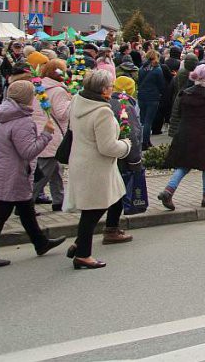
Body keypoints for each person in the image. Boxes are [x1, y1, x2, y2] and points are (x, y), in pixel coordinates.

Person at [0, 80, 66, 268]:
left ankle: (40, 242)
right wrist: (46, 134)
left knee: (25, 208)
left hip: (2, 168)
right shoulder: (21, 120)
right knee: (0, 213)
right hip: (12, 173)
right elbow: (28, 151)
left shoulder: (1, 113)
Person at [64, 70, 133, 269]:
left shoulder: (78, 100)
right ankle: (83, 254)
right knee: (93, 211)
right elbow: (108, 147)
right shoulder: (102, 111)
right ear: (103, 90)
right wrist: (126, 145)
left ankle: (80, 245)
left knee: (99, 205)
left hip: (81, 160)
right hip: (96, 166)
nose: (112, 89)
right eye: (110, 86)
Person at [157, 64, 205, 211]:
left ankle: (168, 191)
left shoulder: (186, 93)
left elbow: (179, 113)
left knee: (184, 165)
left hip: (185, 133)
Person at [30, 59, 72, 211]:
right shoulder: (59, 91)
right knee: (43, 174)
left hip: (40, 131)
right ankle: (26, 202)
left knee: (56, 170)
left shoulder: (38, 87)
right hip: (52, 134)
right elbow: (62, 114)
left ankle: (58, 201)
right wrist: (71, 103)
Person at [109, 76, 143, 225]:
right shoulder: (126, 106)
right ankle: (112, 228)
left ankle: (111, 226)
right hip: (122, 153)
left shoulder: (108, 102)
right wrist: (136, 160)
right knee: (119, 193)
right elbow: (132, 135)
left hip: (110, 153)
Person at [137, 51, 166, 149]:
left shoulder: (141, 69)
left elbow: (139, 82)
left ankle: (145, 141)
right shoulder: (158, 70)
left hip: (141, 96)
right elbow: (161, 85)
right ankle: (145, 142)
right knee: (148, 121)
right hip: (153, 97)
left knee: (143, 120)